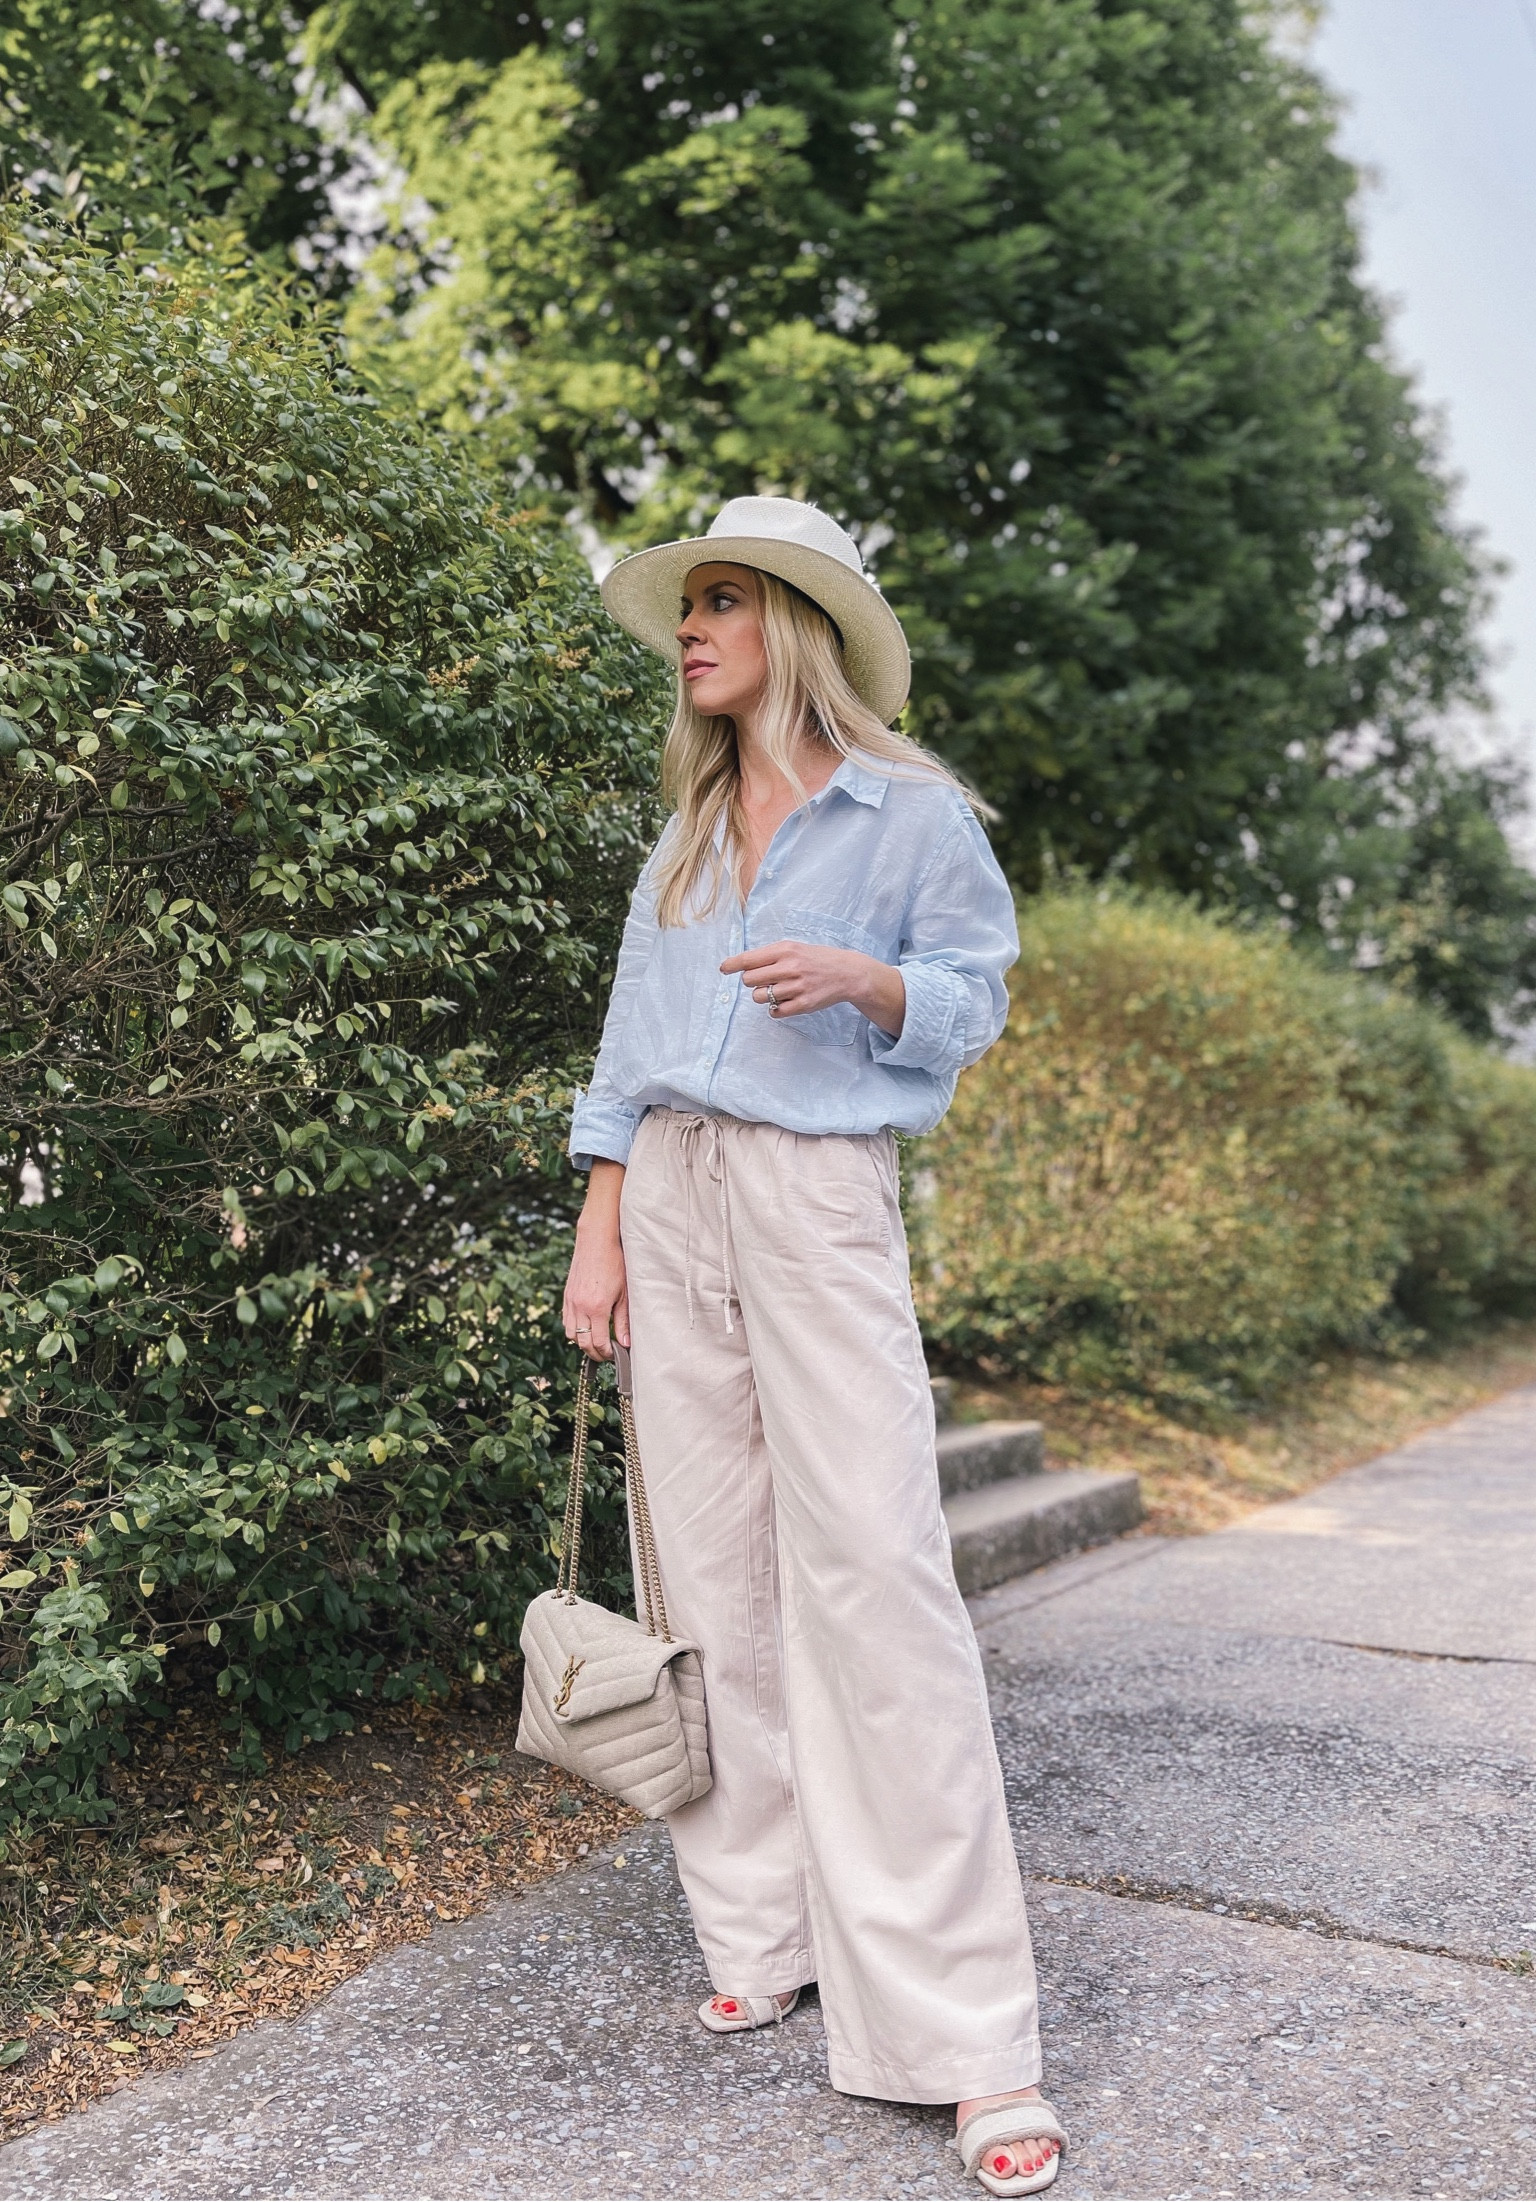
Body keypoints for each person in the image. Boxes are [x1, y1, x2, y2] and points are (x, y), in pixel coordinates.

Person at [562, 496, 1067, 2197]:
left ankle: (967, 2036)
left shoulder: (911, 815)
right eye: (685, 605)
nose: (689, 631)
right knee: (707, 1580)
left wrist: (867, 978)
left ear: (795, 623)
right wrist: (599, 1229)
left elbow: (978, 993)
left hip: (817, 1196)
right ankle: (761, 1925)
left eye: (718, 603)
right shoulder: (688, 835)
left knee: (876, 1578)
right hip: (676, 1199)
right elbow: (629, 1052)